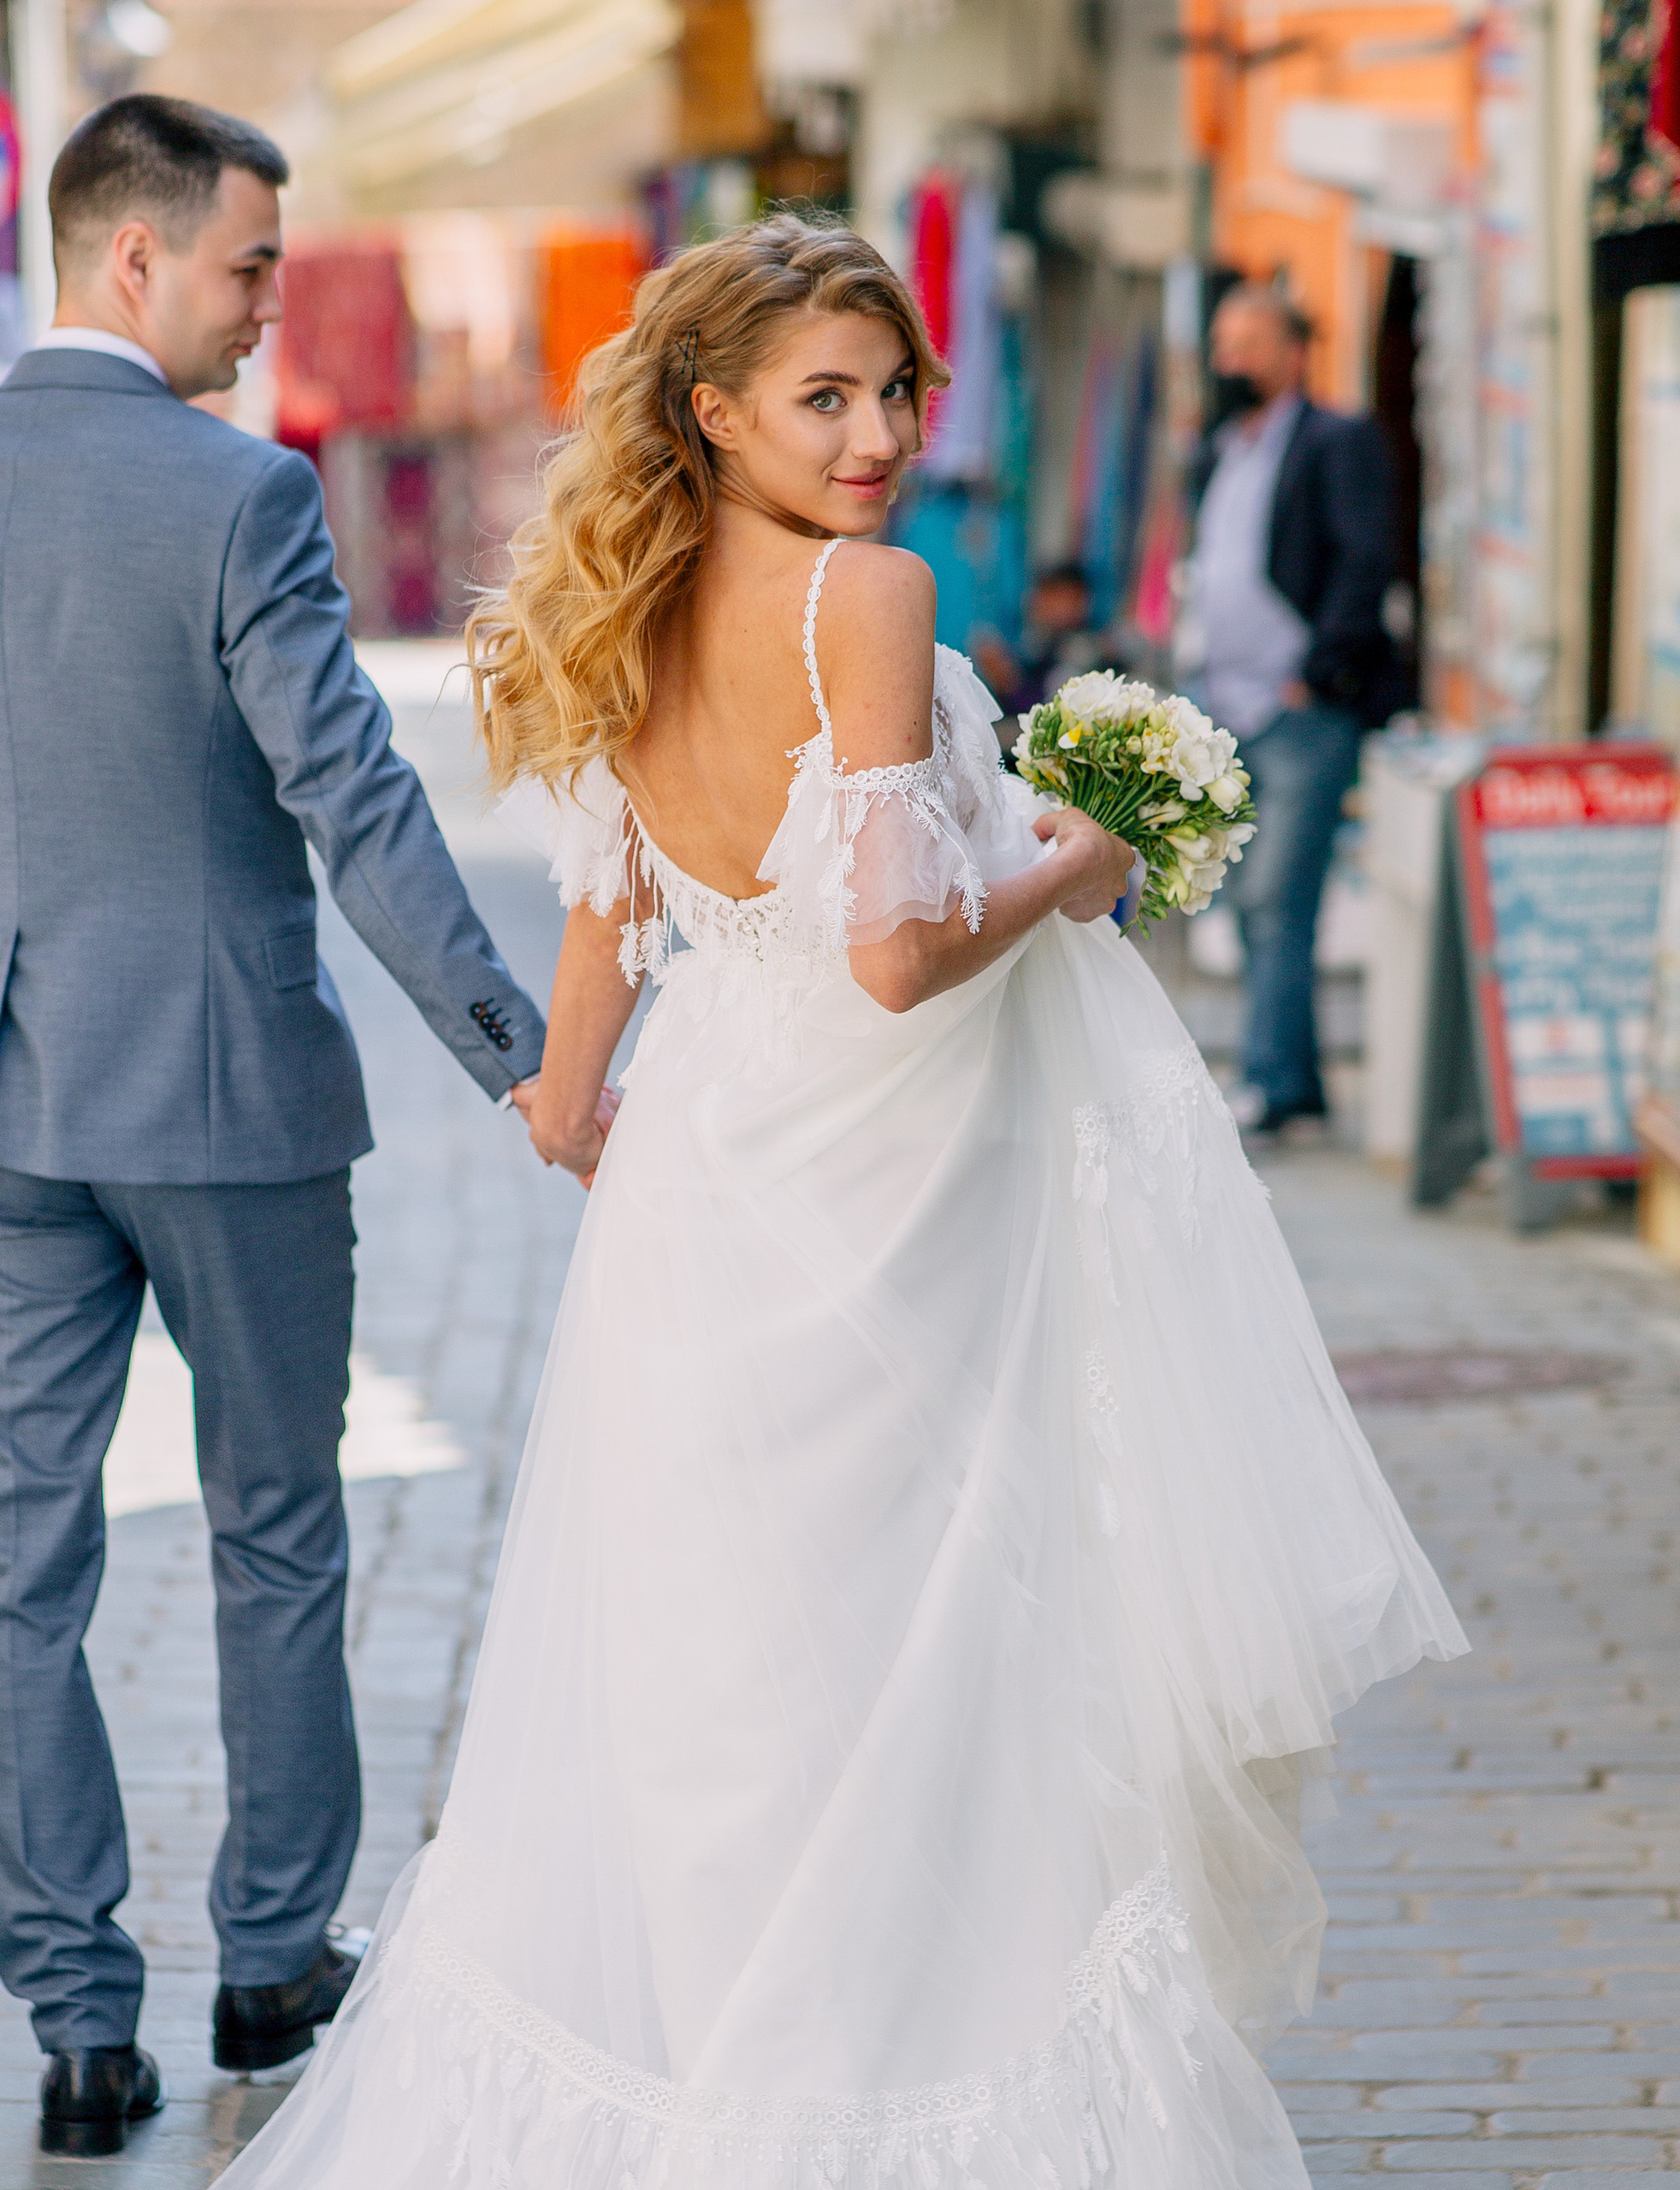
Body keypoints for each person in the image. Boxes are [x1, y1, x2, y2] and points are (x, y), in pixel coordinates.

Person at [221, 217, 1464, 2190]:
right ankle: (862, 2083)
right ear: (714, 410)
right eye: (824, 397)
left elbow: (594, 981)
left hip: (710, 1180)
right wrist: (1074, 862)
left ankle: (717, 2080)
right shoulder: (863, 594)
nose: (875, 435)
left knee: (729, 1673)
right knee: (922, 1650)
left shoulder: (633, 597)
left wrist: (578, 1101)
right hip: (890, 1186)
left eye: (894, 391)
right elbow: (893, 956)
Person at [0, 94, 553, 2153]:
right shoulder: (242, 496)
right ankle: (267, 1960)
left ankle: (78, 2030)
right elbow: (356, 801)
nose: (265, 304)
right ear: (132, 255)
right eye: (247, 264)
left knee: (16, 1561)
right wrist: (512, 1048)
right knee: (274, 1529)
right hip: (229, 1103)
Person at [1189, 284, 1399, 1138]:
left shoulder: (1336, 440)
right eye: (1222, 343)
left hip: (1299, 710)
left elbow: (1367, 556)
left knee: (1279, 896)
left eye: (1247, 343)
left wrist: (1316, 672)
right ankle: (1297, 1082)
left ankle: (1270, 1082)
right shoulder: (1219, 449)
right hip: (1227, 702)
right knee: (1248, 897)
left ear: (1293, 352)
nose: (1229, 360)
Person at [971, 558, 1120, 743]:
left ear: (1080, 601)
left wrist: (1008, 685)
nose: (1043, 603)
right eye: (1044, 594)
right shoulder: (1036, 645)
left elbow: (1052, 716)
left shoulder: (1081, 651)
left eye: (1058, 596)